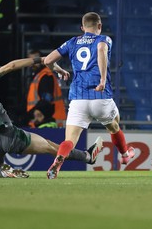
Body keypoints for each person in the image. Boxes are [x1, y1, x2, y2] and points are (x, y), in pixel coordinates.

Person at [0, 52, 103, 178]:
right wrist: (41, 60)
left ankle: (3, 172)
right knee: (51, 147)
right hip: (9, 134)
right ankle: (87, 156)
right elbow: (11, 66)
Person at [43, 12, 135, 179]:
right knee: (114, 125)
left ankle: (58, 161)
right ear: (99, 26)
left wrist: (61, 70)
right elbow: (101, 49)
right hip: (100, 96)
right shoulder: (104, 39)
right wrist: (102, 79)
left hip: (78, 99)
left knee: (69, 141)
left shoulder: (72, 42)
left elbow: (48, 60)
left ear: (82, 28)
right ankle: (124, 154)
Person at [26, 49, 67, 127]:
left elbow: (46, 99)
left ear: (42, 61)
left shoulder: (46, 76)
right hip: (44, 120)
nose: (32, 64)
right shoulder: (39, 75)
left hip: (48, 121)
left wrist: (36, 112)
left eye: (34, 61)